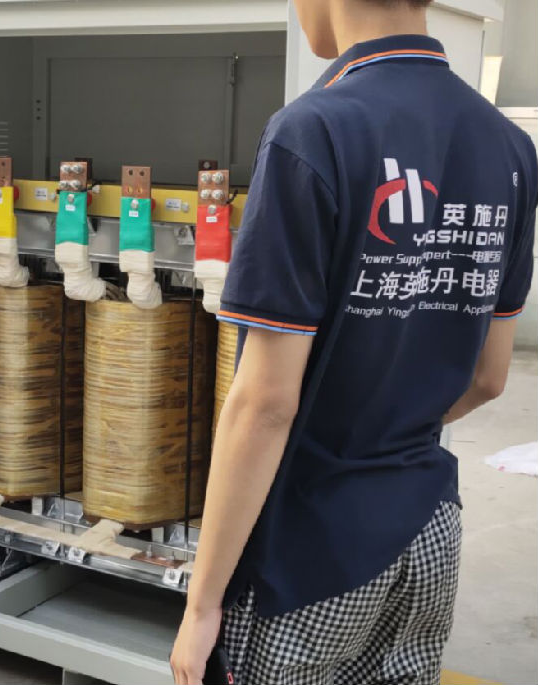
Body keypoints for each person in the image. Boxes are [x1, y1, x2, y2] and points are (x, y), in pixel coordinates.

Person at [169, 0, 537, 682]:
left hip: (312, 548)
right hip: (429, 530)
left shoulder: (312, 132)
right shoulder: (510, 146)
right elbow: (489, 378)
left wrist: (202, 602)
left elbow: (265, 405)